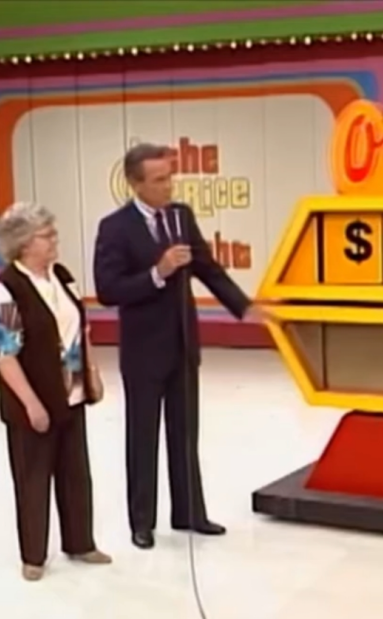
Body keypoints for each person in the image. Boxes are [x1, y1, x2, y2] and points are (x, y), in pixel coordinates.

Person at [93, 143, 266, 550]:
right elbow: (108, 289)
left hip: (183, 344)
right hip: (142, 351)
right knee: (143, 436)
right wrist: (158, 271)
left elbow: (207, 268)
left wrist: (244, 307)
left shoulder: (180, 217)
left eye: (170, 176)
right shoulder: (115, 228)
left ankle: (189, 512)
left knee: (185, 433)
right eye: (158, 180)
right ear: (135, 184)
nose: (168, 185)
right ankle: (142, 522)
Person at [0, 202, 112, 581]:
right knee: (33, 477)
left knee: (75, 472)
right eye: (47, 235)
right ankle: (34, 556)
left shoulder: (63, 277)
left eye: (54, 232)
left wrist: (92, 374)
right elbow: (2, 355)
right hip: (31, 400)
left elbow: (81, 330)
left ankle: (80, 542)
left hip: (70, 394)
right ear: (23, 243)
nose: (55, 240)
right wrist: (32, 404)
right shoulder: (5, 291)